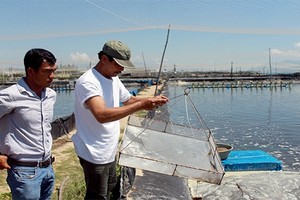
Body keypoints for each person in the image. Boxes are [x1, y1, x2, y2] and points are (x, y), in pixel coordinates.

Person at [72, 40, 169, 200]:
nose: (122, 69)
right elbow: (101, 115)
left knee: (111, 189)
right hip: (94, 152)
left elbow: (128, 100)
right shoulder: (88, 82)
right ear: (104, 59)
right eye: (118, 64)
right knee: (98, 196)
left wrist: (151, 101)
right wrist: (141, 105)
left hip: (108, 150)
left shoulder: (113, 78)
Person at [0, 48, 57, 200]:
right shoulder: (10, 96)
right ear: (31, 72)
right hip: (24, 171)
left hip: (48, 168)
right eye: (47, 71)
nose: (52, 76)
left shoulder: (50, 95)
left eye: (54, 70)